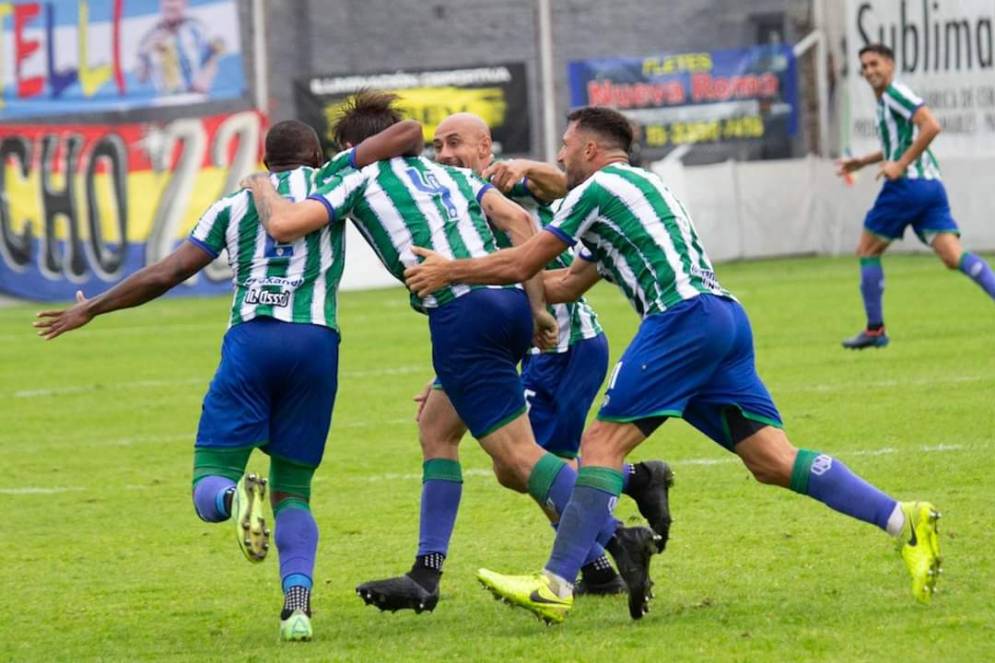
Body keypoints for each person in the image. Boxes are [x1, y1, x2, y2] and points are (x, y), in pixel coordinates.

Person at [404, 106, 943, 624]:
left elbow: (527, 260)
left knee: (600, 446)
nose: (560, 158)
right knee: (773, 461)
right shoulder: (646, 185)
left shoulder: (595, 189)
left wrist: (453, 272)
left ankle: (555, 584)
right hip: (724, 319)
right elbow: (566, 283)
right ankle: (903, 519)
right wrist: (502, 303)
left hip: (679, 320)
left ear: (590, 148)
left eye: (566, 148)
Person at [243, 92, 661, 620]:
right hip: (505, 304)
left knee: (517, 458)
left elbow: (282, 225)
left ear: (354, 146)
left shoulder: (356, 175)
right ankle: (426, 571)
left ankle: (618, 536)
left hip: (460, 315)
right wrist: (535, 310)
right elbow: (521, 227)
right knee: (437, 426)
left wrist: (259, 185)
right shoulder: (458, 179)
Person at [33, 119, 423, 642]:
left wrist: (94, 309)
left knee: (208, 482)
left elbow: (166, 273)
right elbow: (403, 133)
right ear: (313, 154)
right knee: (294, 493)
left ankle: (233, 501)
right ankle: (297, 608)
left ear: (265, 162)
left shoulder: (229, 206)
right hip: (313, 344)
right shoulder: (331, 180)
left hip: (251, 344)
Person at [836, 43, 995, 349]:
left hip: (908, 186)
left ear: (890, 65)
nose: (869, 71)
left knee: (867, 250)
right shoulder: (886, 101)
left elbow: (931, 125)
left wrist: (901, 164)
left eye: (875, 64)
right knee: (952, 255)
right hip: (930, 187)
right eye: (865, 67)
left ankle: (875, 330)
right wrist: (863, 162)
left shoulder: (895, 94)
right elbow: (897, 146)